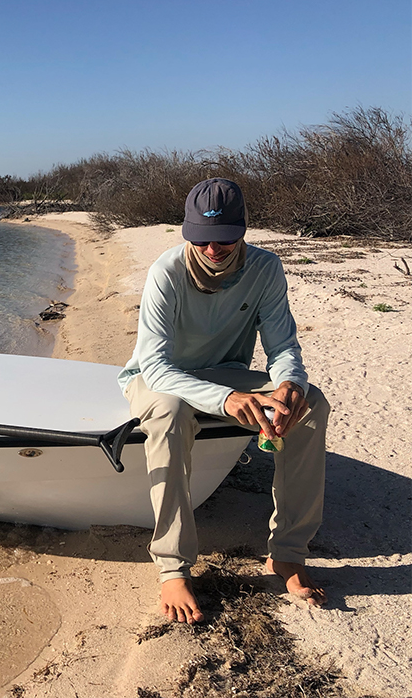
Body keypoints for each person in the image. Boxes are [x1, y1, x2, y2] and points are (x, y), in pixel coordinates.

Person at [118, 178, 330, 623]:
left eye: (225, 237)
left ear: (244, 230)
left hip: (225, 374)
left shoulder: (267, 270)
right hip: (159, 379)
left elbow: (283, 347)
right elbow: (154, 367)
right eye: (202, 238)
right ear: (187, 231)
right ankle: (173, 567)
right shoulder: (166, 271)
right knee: (172, 414)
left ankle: (288, 553)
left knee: (312, 406)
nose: (214, 248)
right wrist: (227, 399)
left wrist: (290, 381)